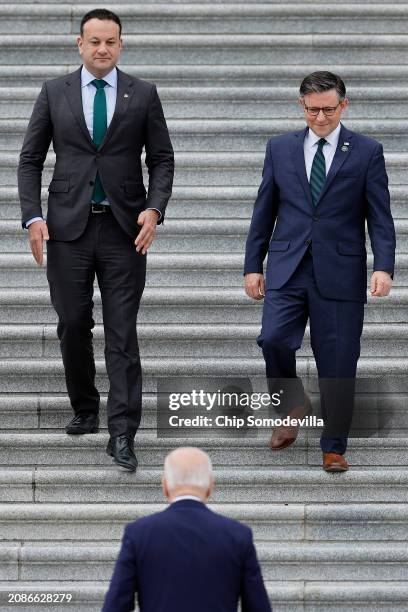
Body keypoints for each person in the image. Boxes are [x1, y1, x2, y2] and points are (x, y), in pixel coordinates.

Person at [17, 9, 174, 472]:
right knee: (72, 322)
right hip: (68, 229)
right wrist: (32, 216)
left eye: (111, 41)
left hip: (126, 231)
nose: (103, 48)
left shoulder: (143, 94)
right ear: (79, 45)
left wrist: (155, 207)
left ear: (120, 45)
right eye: (95, 41)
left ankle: (122, 432)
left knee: (122, 334)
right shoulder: (54, 92)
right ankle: (85, 405)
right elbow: (30, 159)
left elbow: (162, 159)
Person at [244, 71, 395, 472]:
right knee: (273, 339)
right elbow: (265, 210)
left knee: (339, 360)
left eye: (329, 109)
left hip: (341, 271)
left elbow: (380, 217)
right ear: (301, 107)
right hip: (288, 266)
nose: (321, 117)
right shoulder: (280, 148)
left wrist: (383, 266)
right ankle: (292, 403)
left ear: (343, 106)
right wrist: (251, 266)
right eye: (313, 110)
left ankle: (334, 447)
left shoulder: (366, 151)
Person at [102, 447, 272, 612]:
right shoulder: (238, 534)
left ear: (165, 486)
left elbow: (115, 605)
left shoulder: (138, 533)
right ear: (210, 486)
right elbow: (258, 606)